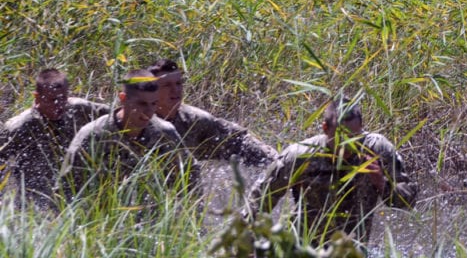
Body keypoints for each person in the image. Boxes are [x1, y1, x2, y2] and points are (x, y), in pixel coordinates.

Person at [247, 97, 418, 245]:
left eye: (354, 137)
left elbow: (408, 201)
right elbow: (259, 200)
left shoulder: (377, 150)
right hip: (304, 250)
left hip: (352, 252)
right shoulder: (301, 156)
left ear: (361, 128)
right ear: (325, 128)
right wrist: (247, 243)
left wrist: (381, 183)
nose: (348, 146)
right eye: (341, 137)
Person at [60, 70, 198, 201]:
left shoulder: (164, 133)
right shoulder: (93, 135)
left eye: (154, 103)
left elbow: (190, 173)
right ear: (123, 99)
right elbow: (65, 187)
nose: (149, 111)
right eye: (142, 104)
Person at [0, 68, 109, 207]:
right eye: (52, 100)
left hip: (77, 197)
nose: (59, 105)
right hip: (34, 203)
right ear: (37, 97)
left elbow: (118, 117)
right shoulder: (18, 127)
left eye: (63, 98)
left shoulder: (80, 109)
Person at [148, 59, 277, 168]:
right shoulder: (142, 121)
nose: (175, 90)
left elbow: (238, 139)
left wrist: (276, 163)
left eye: (178, 83)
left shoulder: (194, 119)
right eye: (167, 85)